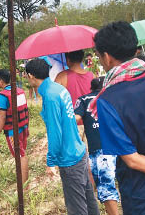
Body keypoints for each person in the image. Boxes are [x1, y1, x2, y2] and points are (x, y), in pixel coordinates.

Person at [89, 21, 145, 215]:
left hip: (140, 194)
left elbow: (132, 160)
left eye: (98, 56)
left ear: (106, 57)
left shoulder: (107, 100)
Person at [25, 59, 99, 215]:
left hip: (69, 158)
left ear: (31, 76)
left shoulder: (50, 97)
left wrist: (50, 161)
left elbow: (55, 132)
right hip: (79, 151)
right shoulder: (58, 89)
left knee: (77, 208)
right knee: (89, 200)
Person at [75, 77, 119, 215]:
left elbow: (75, 118)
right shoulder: (114, 96)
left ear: (91, 88)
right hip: (121, 145)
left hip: (100, 149)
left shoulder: (83, 99)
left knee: (106, 188)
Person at [0, 69, 29, 186]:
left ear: (1, 81)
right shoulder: (20, 91)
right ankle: (24, 181)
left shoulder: (3, 96)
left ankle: (24, 186)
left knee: (20, 156)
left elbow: (2, 117)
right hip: (23, 128)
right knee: (22, 153)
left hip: (13, 132)